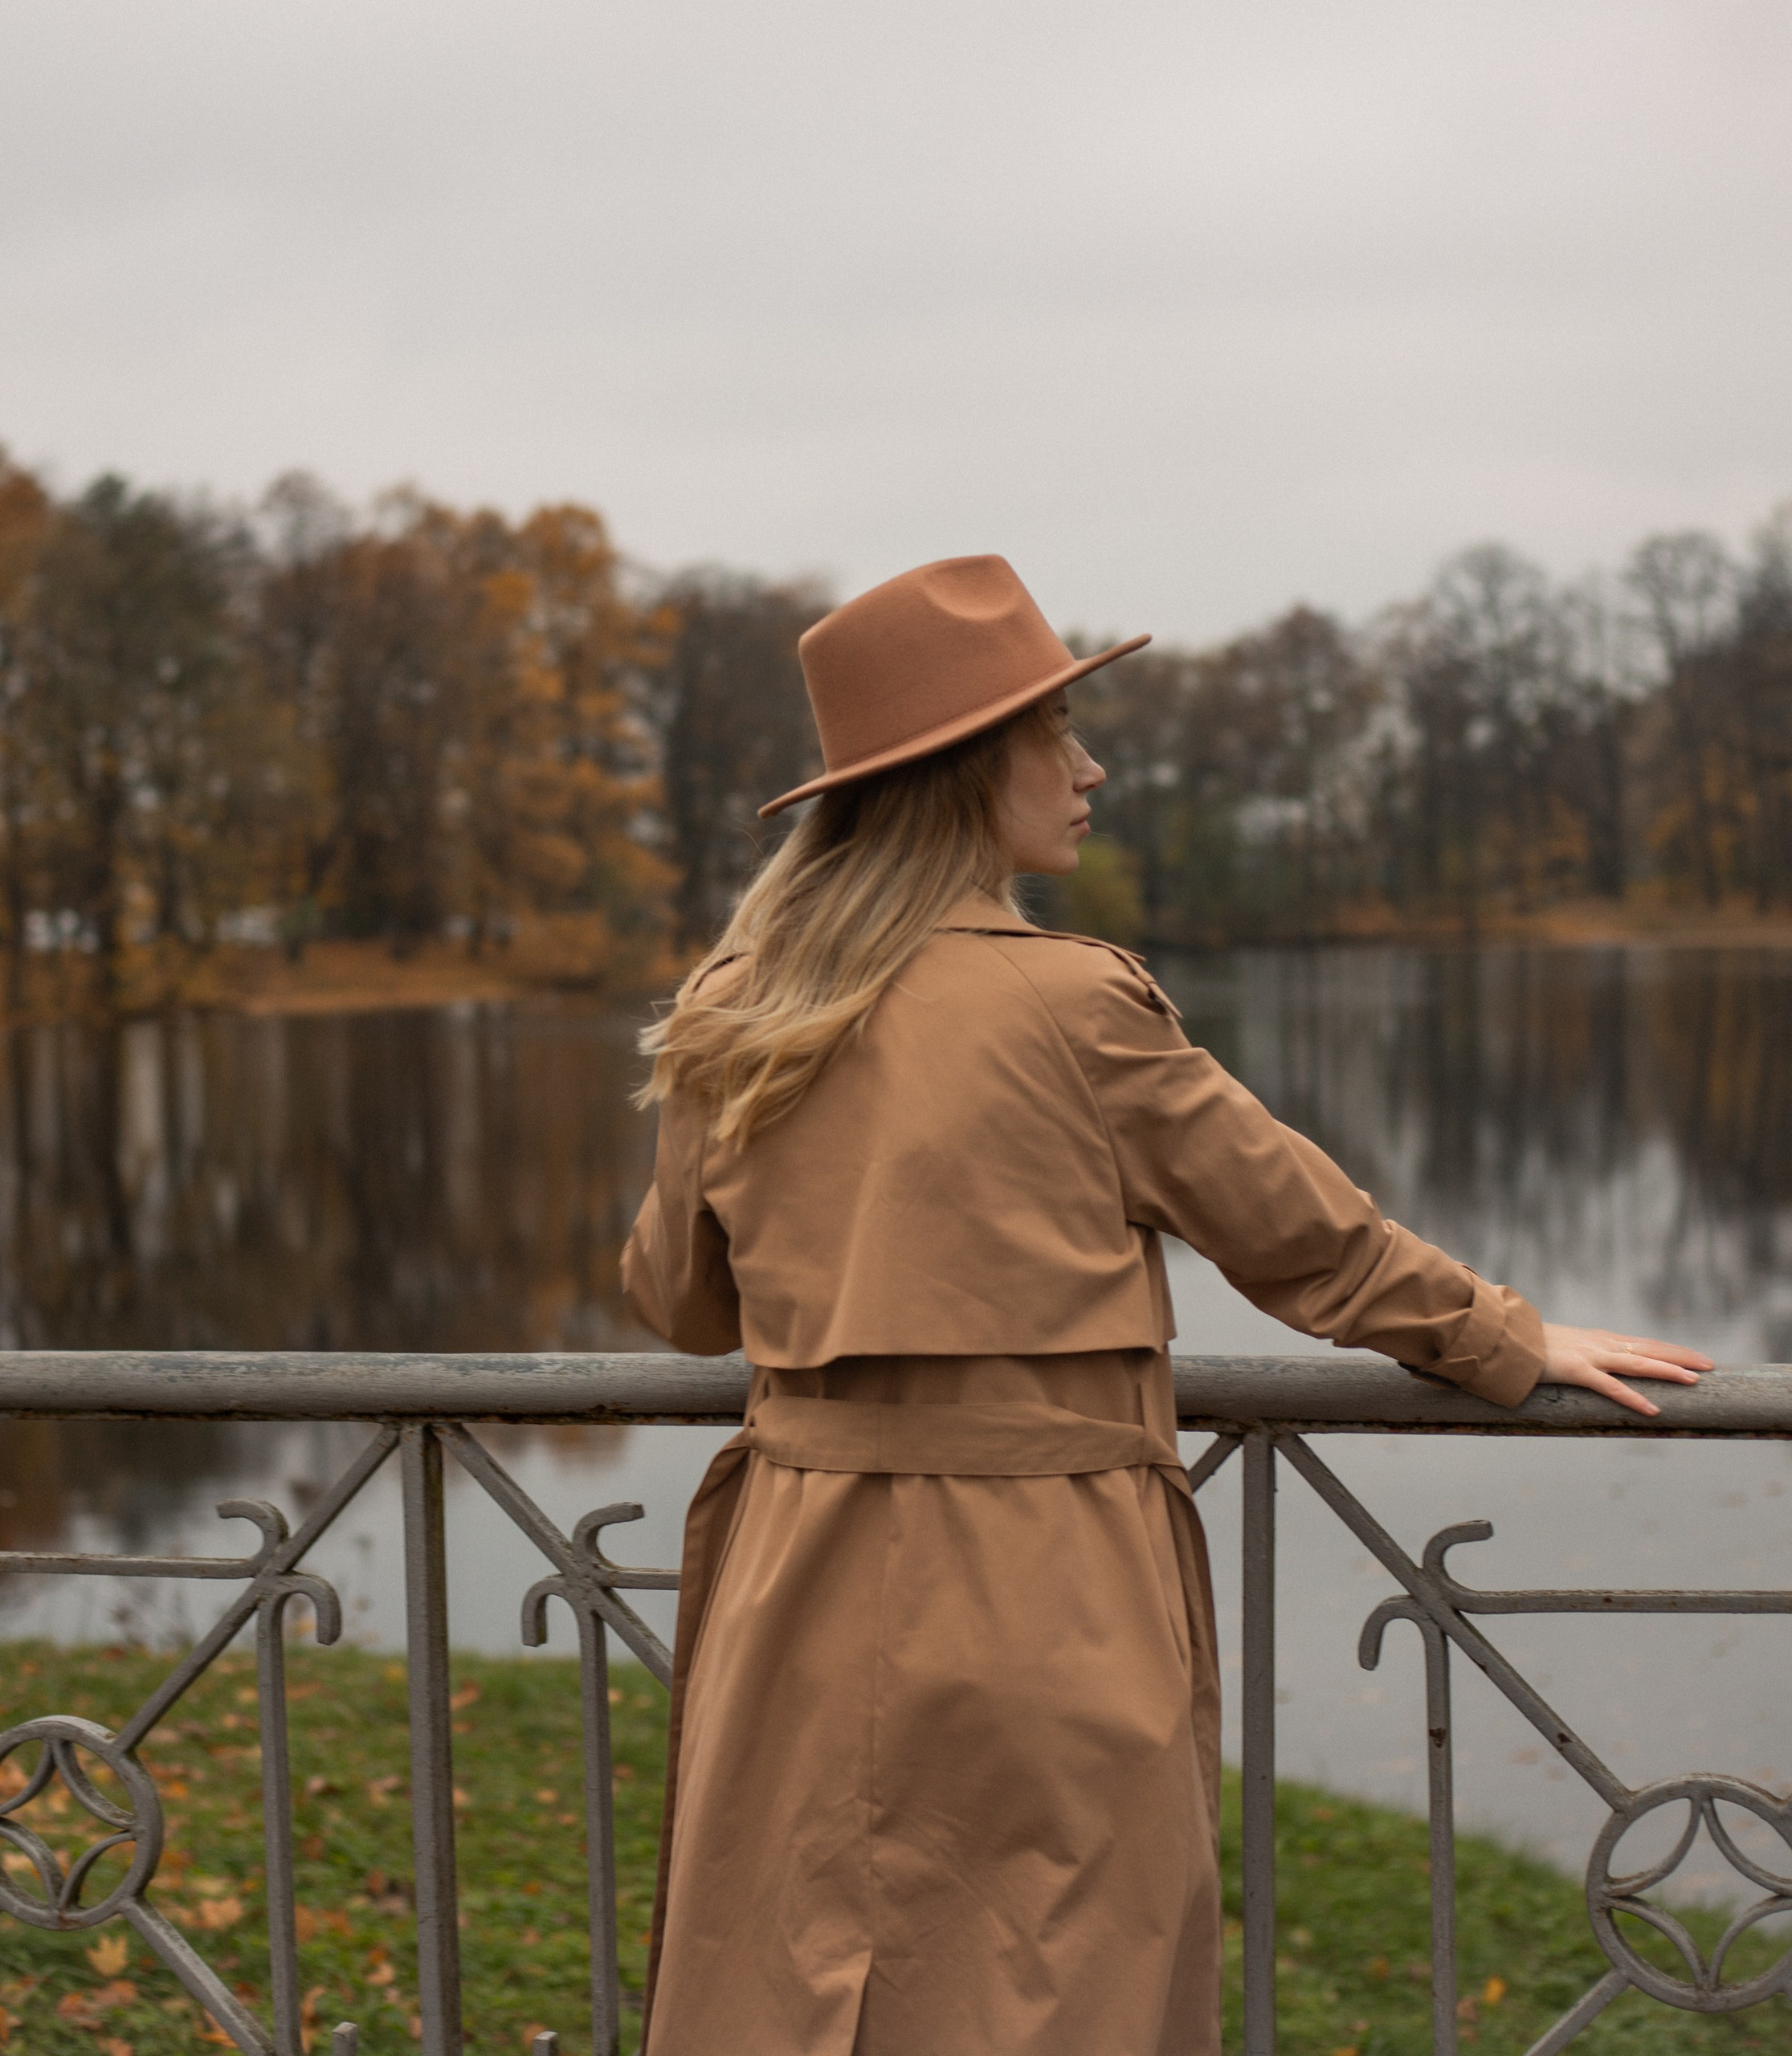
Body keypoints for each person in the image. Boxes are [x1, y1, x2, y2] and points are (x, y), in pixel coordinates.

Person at [618, 555, 1709, 2056]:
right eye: (1052, 731)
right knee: (1057, 1987)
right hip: (1038, 1578)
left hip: (797, 1569)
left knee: (801, 1978)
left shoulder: (743, 1004)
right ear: (956, 771)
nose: (1091, 765)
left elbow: (678, 1304)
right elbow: (1307, 1238)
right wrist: (1511, 1340)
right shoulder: (1070, 1004)